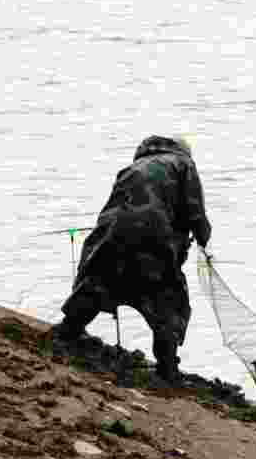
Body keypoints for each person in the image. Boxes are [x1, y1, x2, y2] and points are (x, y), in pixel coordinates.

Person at [53, 135, 212, 384]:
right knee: (167, 298)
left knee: (100, 281)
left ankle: (68, 330)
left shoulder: (132, 167)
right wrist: (204, 238)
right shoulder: (183, 164)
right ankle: (167, 367)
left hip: (111, 235)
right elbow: (195, 211)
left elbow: (112, 207)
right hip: (153, 239)